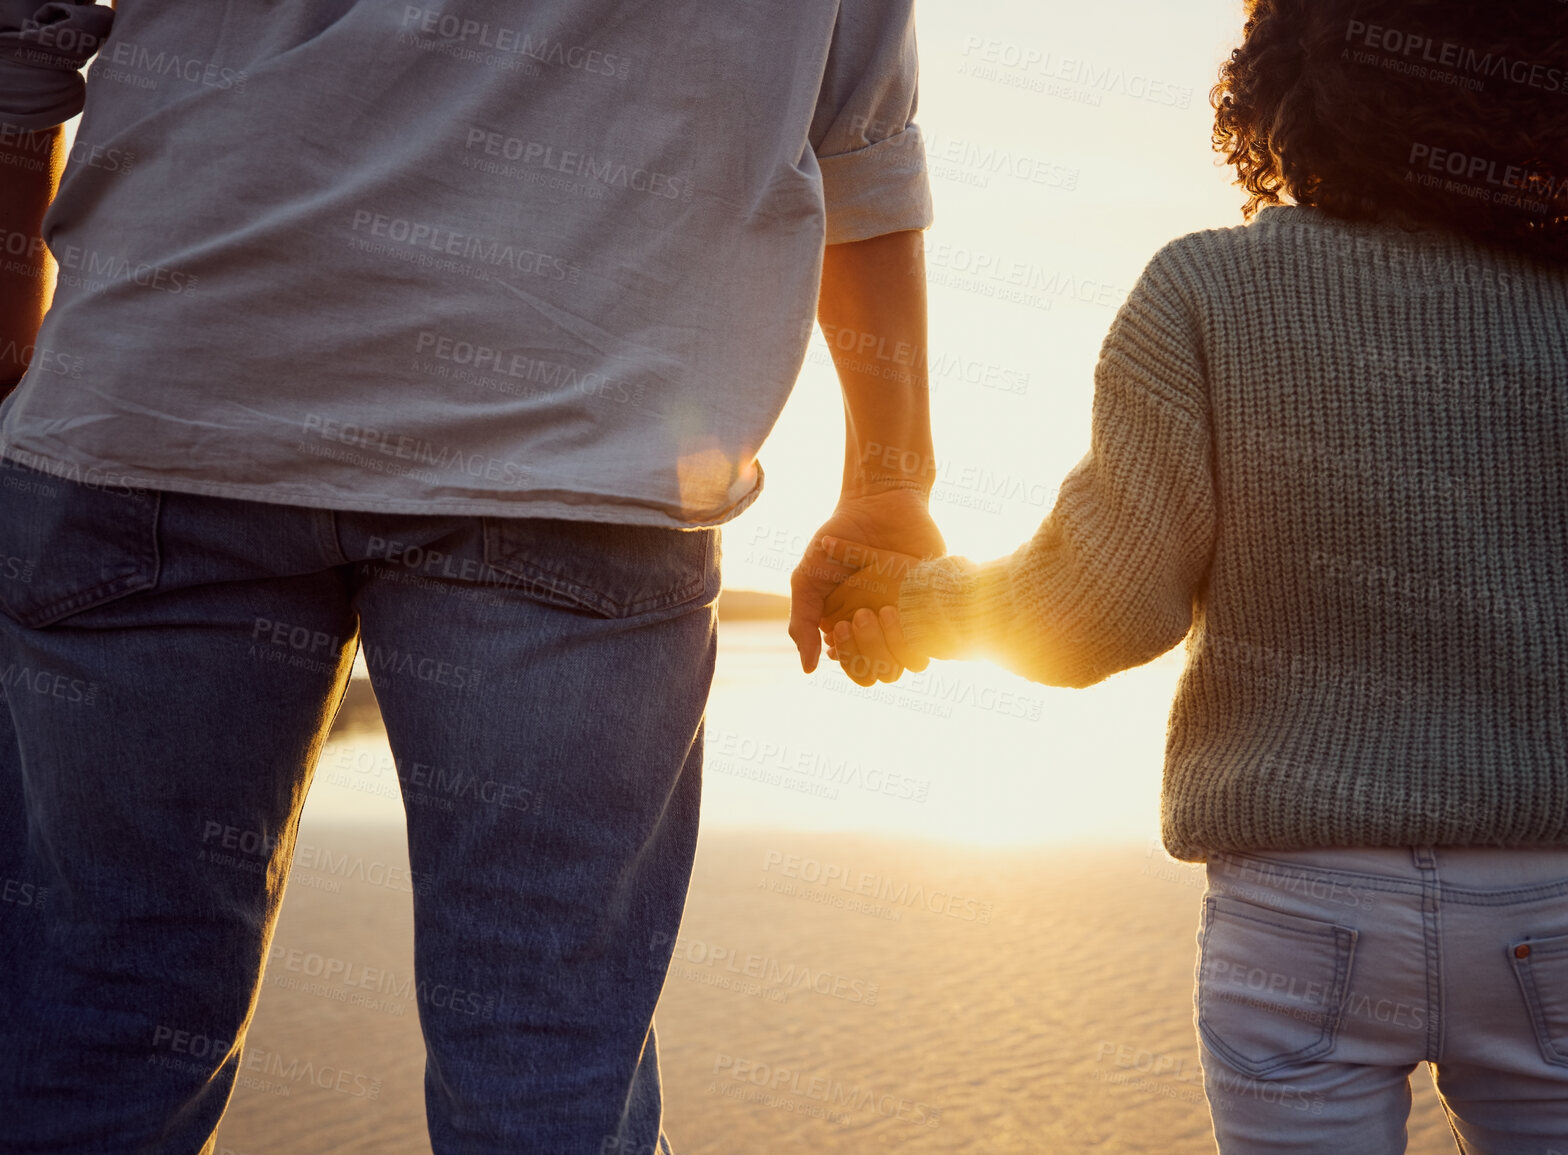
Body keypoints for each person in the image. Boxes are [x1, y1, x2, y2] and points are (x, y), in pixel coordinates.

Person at [0, 1, 943, 1151]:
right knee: (542, 1073)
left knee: (92, 1041)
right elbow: (859, 135)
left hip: (164, 387)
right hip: (574, 444)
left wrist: (15, 332)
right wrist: (891, 477)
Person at [823, 0, 1568, 1150]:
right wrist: (1529, 652)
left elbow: (1100, 607)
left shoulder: (1202, 294)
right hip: (1542, 904)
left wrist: (915, 608)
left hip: (1302, 908)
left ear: (1285, 83)